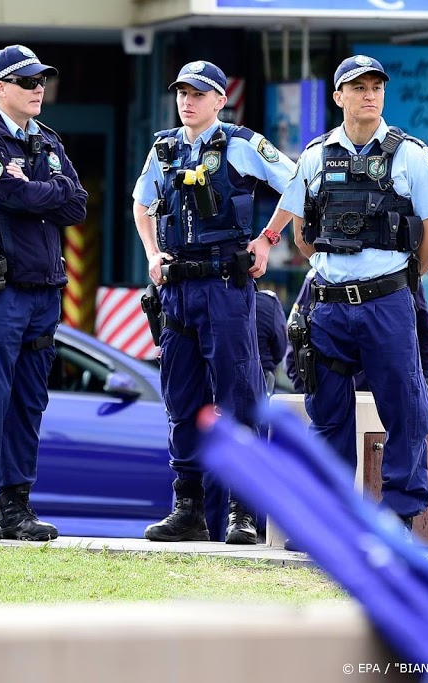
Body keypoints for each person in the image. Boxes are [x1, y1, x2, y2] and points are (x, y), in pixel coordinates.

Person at [274, 54, 428, 533]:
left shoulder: (412, 154)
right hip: (329, 307)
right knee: (327, 415)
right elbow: (303, 237)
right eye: (357, 87)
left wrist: (397, 281)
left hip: (387, 304)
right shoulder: (314, 156)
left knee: (406, 411)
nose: (369, 94)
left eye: (376, 86)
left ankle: (398, 514)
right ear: (338, 97)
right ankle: (330, 518)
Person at [132, 59, 296, 544]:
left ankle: (243, 513)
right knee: (181, 401)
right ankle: (189, 509)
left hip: (225, 286)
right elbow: (142, 203)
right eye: (182, 92)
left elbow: (299, 183)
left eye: (199, 93)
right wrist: (151, 253)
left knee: (237, 399)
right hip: (177, 290)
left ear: (221, 100)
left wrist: (267, 239)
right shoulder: (163, 148)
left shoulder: (243, 144)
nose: (188, 101)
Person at [0, 45, 88, 542]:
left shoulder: (46, 140)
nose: (37, 88)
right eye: (26, 82)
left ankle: (14, 506)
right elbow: (13, 195)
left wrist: (41, 189)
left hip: (43, 290)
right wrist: (50, 191)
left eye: (41, 80)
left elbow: (78, 207)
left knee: (29, 402)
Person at [284, 268, 428, 392]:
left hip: (386, 393)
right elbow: (296, 337)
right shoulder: (322, 275)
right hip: (332, 392)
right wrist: (310, 390)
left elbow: (424, 331)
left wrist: (421, 382)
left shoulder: (400, 274)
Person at [256, 285, 287, 395]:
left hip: (219, 381)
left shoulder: (214, 300)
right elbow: (280, 349)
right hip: (262, 380)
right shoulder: (267, 302)